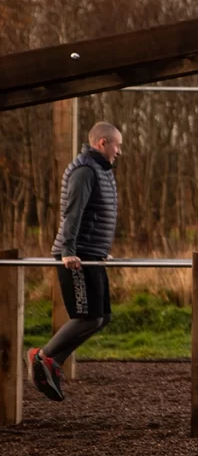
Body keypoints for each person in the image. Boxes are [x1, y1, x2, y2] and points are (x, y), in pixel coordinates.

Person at [28, 122, 122, 402]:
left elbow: (96, 213)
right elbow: (74, 211)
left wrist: (101, 249)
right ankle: (42, 357)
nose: (119, 151)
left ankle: (52, 362)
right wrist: (69, 250)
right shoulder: (84, 170)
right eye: (117, 145)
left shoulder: (101, 171)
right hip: (77, 256)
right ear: (102, 143)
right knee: (87, 316)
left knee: (102, 317)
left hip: (91, 253)